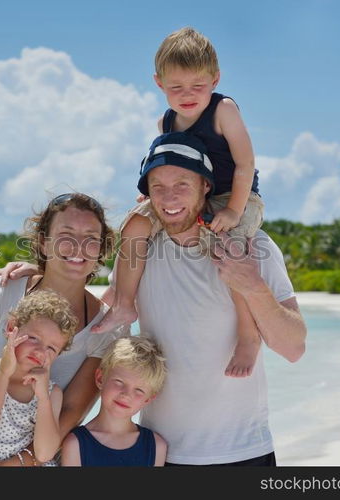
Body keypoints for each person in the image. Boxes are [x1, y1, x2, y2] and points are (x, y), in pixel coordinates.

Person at [93, 27, 265, 379]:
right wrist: (151, 195)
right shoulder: (166, 122)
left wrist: (232, 210)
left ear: (215, 79)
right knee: (136, 223)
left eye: (197, 86)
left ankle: (248, 336)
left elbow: (246, 164)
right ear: (159, 83)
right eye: (176, 87)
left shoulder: (224, 110)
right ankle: (124, 300)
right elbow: (167, 163)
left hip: (234, 194)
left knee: (230, 252)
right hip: (189, 194)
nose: (187, 95)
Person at [130, 131, 306, 465]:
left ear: (205, 186)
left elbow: (294, 348)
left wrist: (253, 286)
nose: (169, 197)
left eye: (182, 183)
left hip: (244, 451)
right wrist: (34, 269)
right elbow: (103, 306)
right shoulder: (141, 249)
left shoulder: (256, 246)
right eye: (158, 187)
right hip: (160, 452)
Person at [0, 193, 127, 466]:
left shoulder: (107, 327)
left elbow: (70, 412)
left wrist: (14, 465)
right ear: (44, 243)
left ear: (101, 250)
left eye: (91, 238)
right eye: (66, 234)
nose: (78, 247)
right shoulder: (2, 292)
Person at [0, 290, 77, 465]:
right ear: (11, 328)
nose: (40, 351)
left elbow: (44, 453)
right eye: (33, 338)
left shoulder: (51, 393)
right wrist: (3, 374)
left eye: (52, 349)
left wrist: (43, 399)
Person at [60, 336, 168, 466]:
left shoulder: (156, 447)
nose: (126, 394)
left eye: (139, 390)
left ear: (149, 399)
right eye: (119, 382)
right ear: (100, 378)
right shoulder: (75, 444)